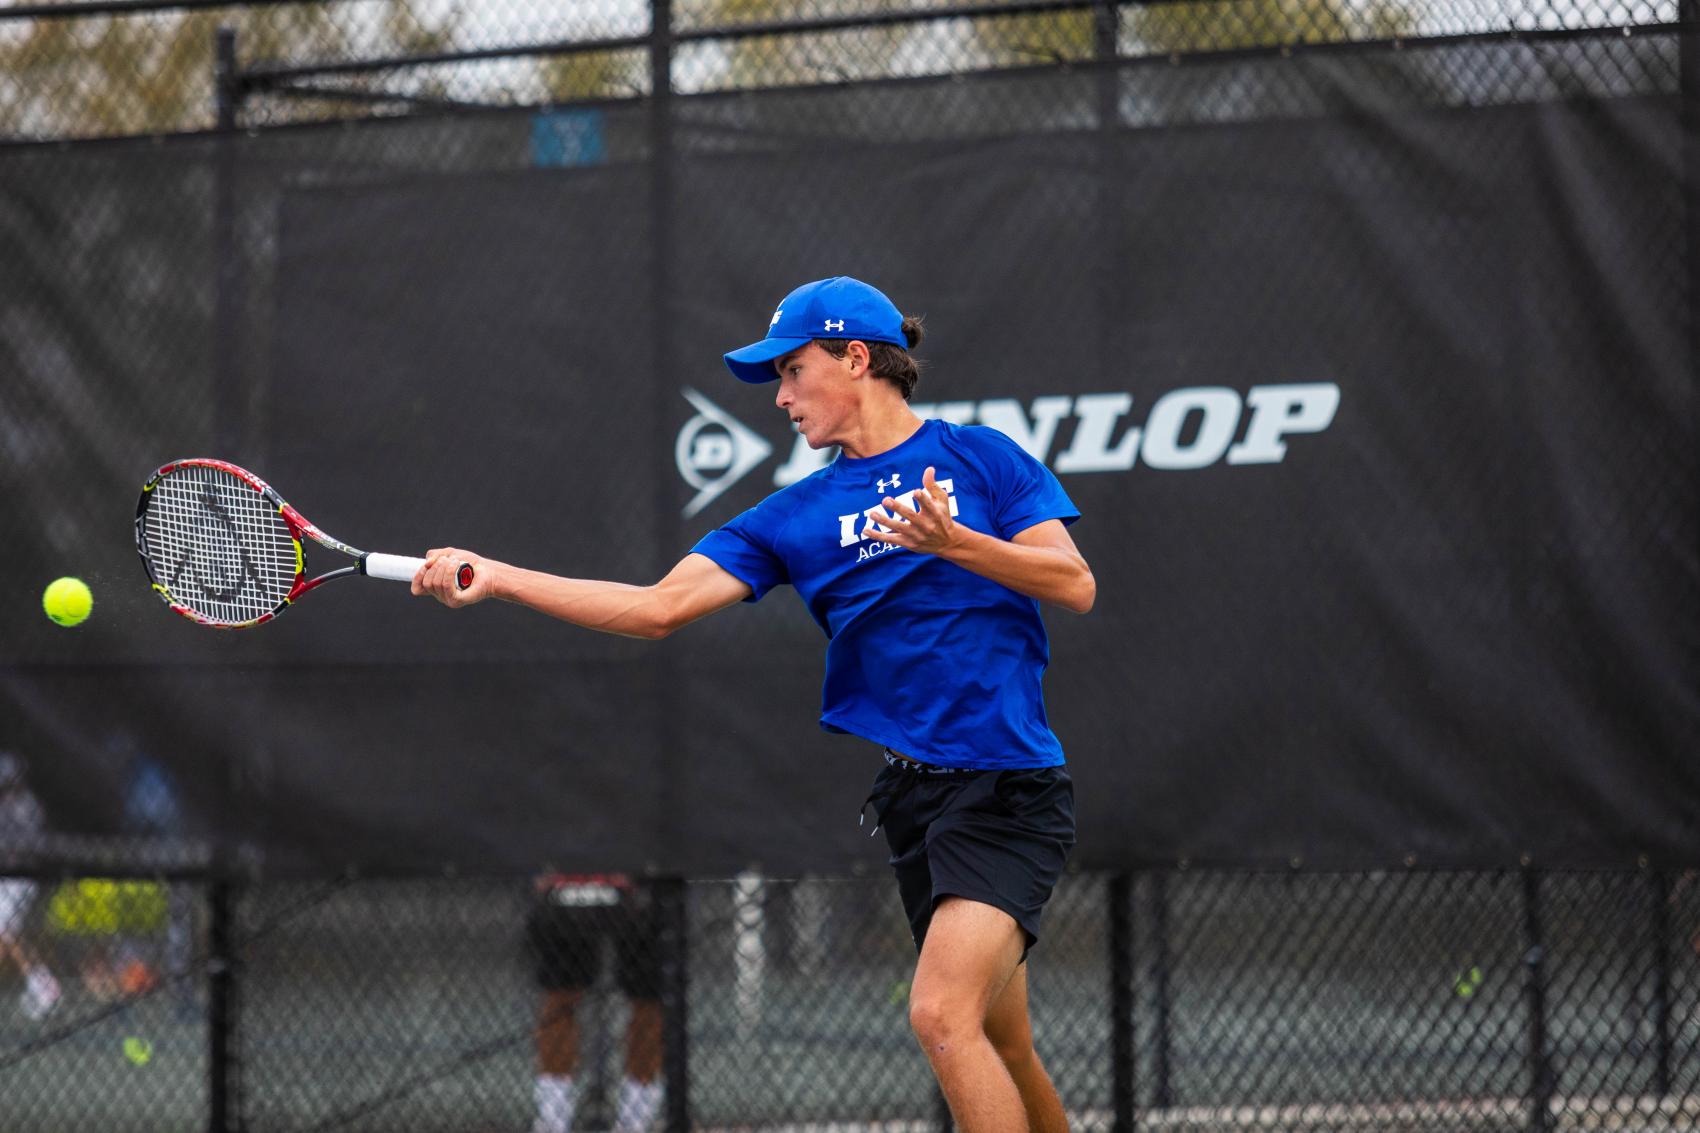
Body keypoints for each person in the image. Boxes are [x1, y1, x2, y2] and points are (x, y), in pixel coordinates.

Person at [414, 276, 1093, 1133]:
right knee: (1004, 1039)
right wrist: (501, 578)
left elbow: (1075, 583)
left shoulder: (984, 460)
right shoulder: (792, 516)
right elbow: (656, 608)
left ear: (855, 357)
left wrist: (955, 542)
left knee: (940, 1017)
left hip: (1008, 791)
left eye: (792, 369)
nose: (779, 396)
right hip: (918, 804)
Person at [526, 872, 663, 1133]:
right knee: (560, 995)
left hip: (643, 864)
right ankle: (553, 1116)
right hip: (570, 870)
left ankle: (636, 1118)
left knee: (648, 998)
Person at [0, 751, 61, 1020]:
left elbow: (23, 846)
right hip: (8, 878)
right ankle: (42, 984)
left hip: (20, 878)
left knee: (6, 931)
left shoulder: (26, 806)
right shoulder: (7, 804)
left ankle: (43, 985)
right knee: (7, 934)